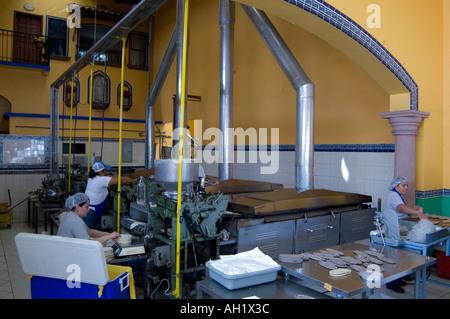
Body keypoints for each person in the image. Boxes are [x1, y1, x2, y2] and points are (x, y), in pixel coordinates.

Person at [384, 176, 427, 293]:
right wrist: (417, 213)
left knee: (400, 257)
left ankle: (397, 279)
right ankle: (391, 283)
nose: (406, 188)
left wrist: (415, 210)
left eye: (407, 185)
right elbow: (401, 208)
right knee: (393, 257)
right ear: (396, 186)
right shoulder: (393, 196)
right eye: (404, 185)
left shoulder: (398, 196)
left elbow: (403, 209)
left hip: (399, 228)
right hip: (393, 230)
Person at [84, 161, 137, 229]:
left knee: (92, 231)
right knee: (90, 233)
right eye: (105, 171)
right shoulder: (101, 180)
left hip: (91, 209)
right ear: (101, 172)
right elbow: (120, 180)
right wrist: (133, 181)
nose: (107, 172)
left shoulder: (93, 178)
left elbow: (112, 177)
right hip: (92, 212)